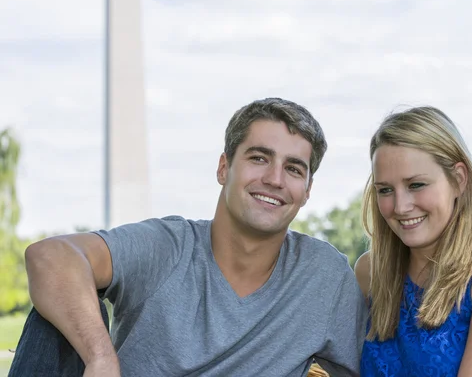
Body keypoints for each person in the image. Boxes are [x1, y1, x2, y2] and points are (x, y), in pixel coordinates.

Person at [10, 98, 367, 377]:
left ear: (307, 190)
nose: (275, 179)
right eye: (259, 158)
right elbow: (50, 257)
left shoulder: (325, 277)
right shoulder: (167, 247)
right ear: (224, 168)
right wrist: (102, 359)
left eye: (293, 168)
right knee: (57, 312)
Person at [355, 106, 472, 376]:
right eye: (385, 190)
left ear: (459, 179)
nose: (401, 206)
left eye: (416, 185)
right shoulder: (369, 272)